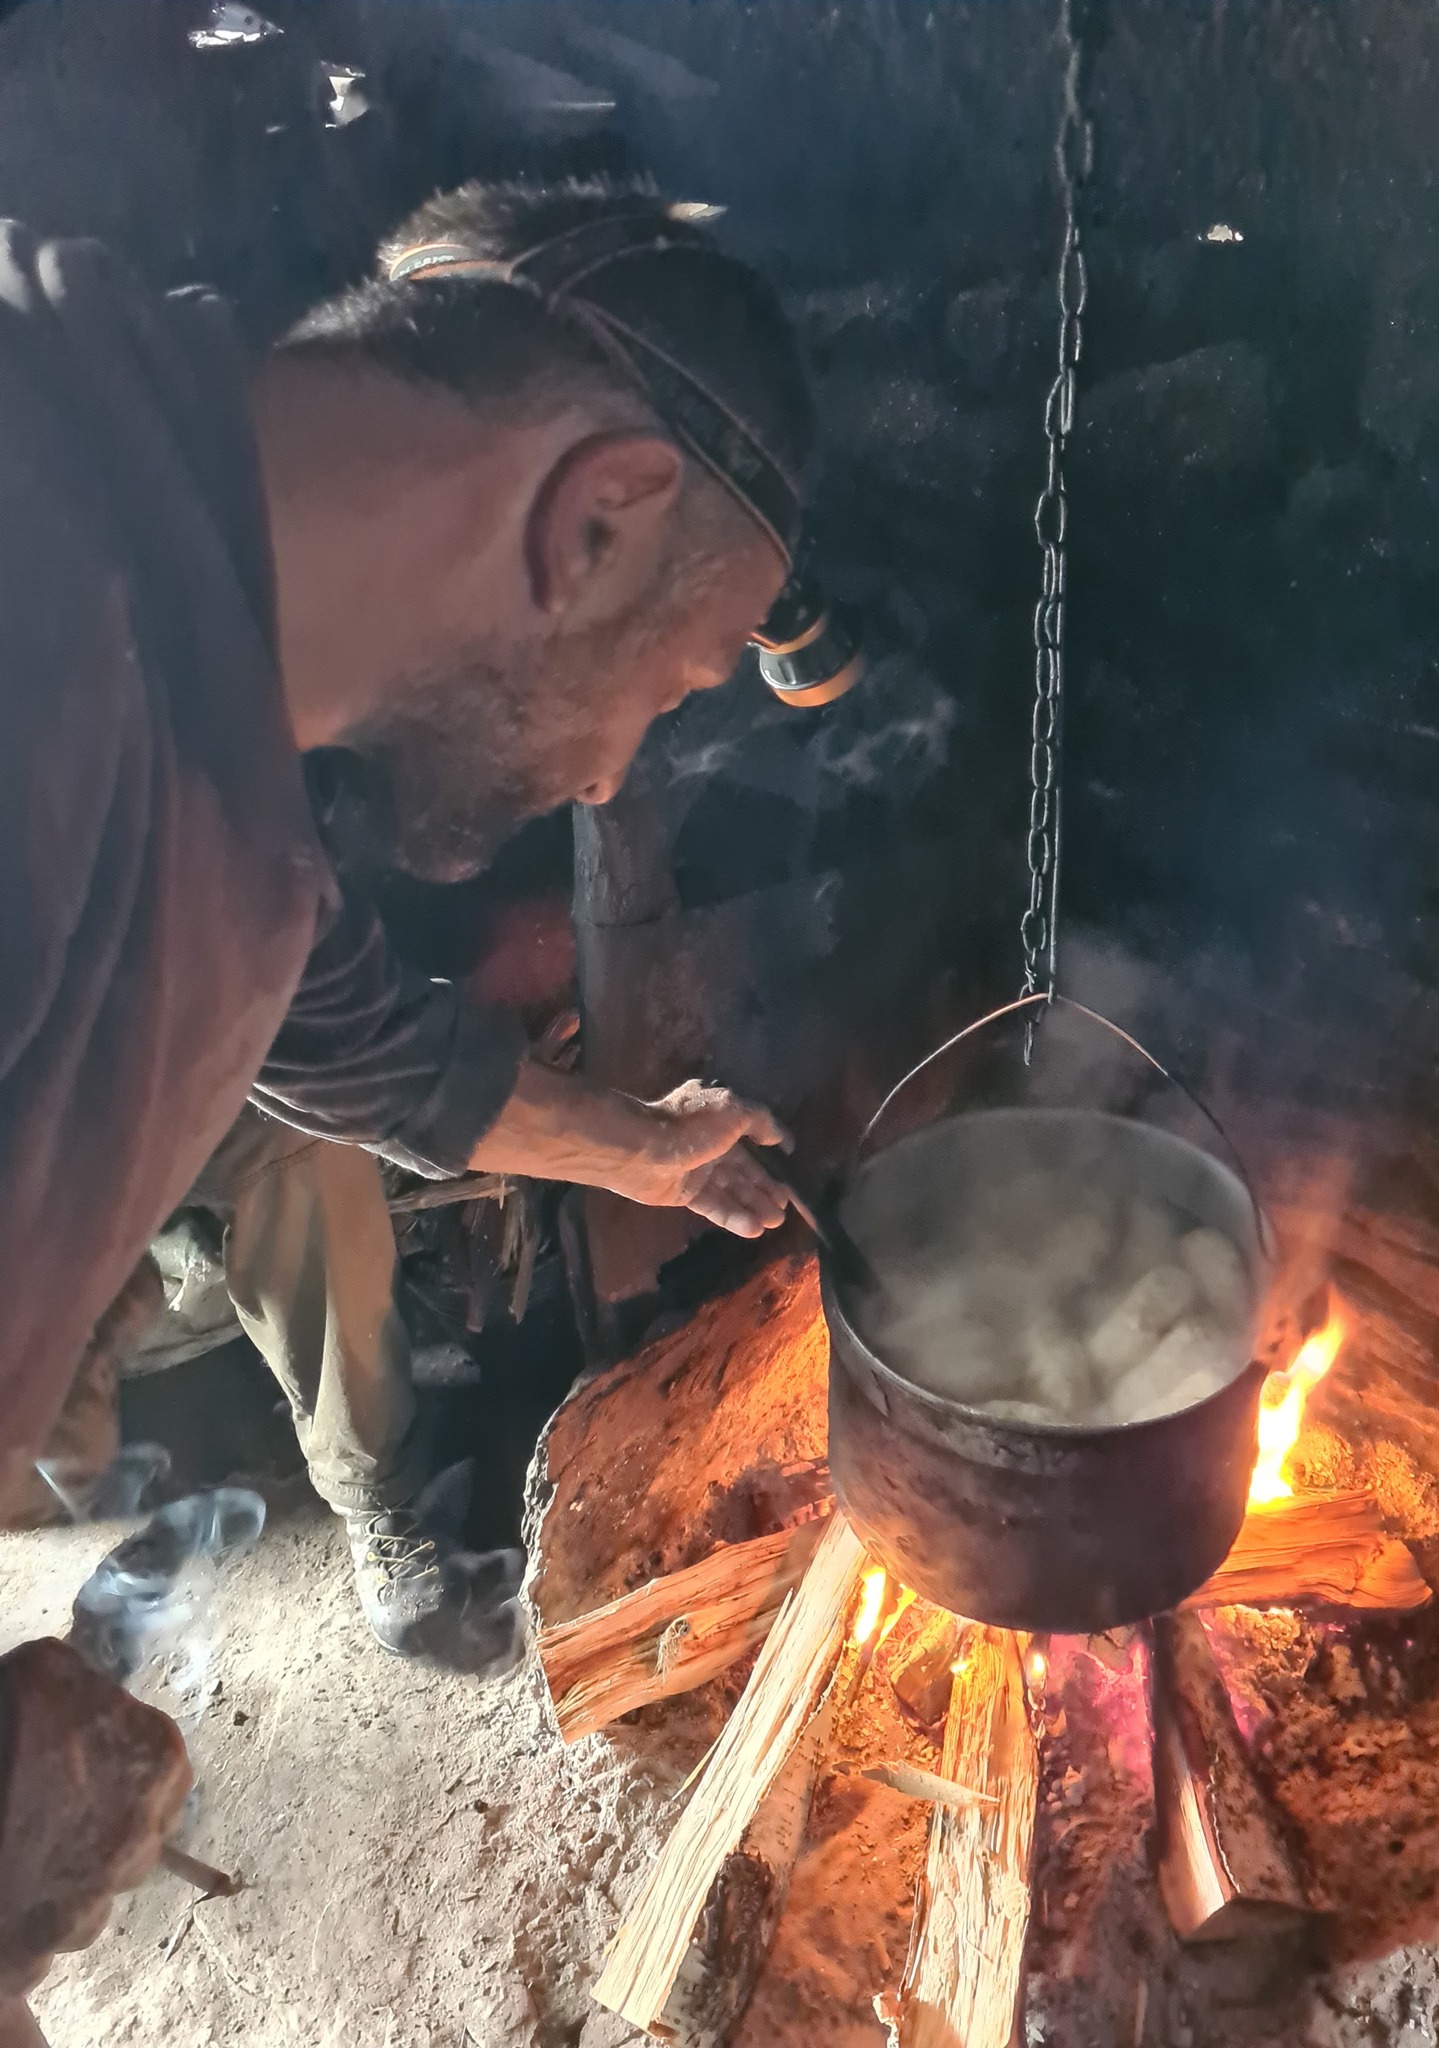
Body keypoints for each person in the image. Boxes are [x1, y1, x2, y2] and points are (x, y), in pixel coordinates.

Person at [0, 175, 819, 2006]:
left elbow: (363, 1045)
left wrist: (654, 1155)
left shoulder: (198, 712)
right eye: (676, 688)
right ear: (598, 517)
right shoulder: (38, 626)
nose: (618, 779)